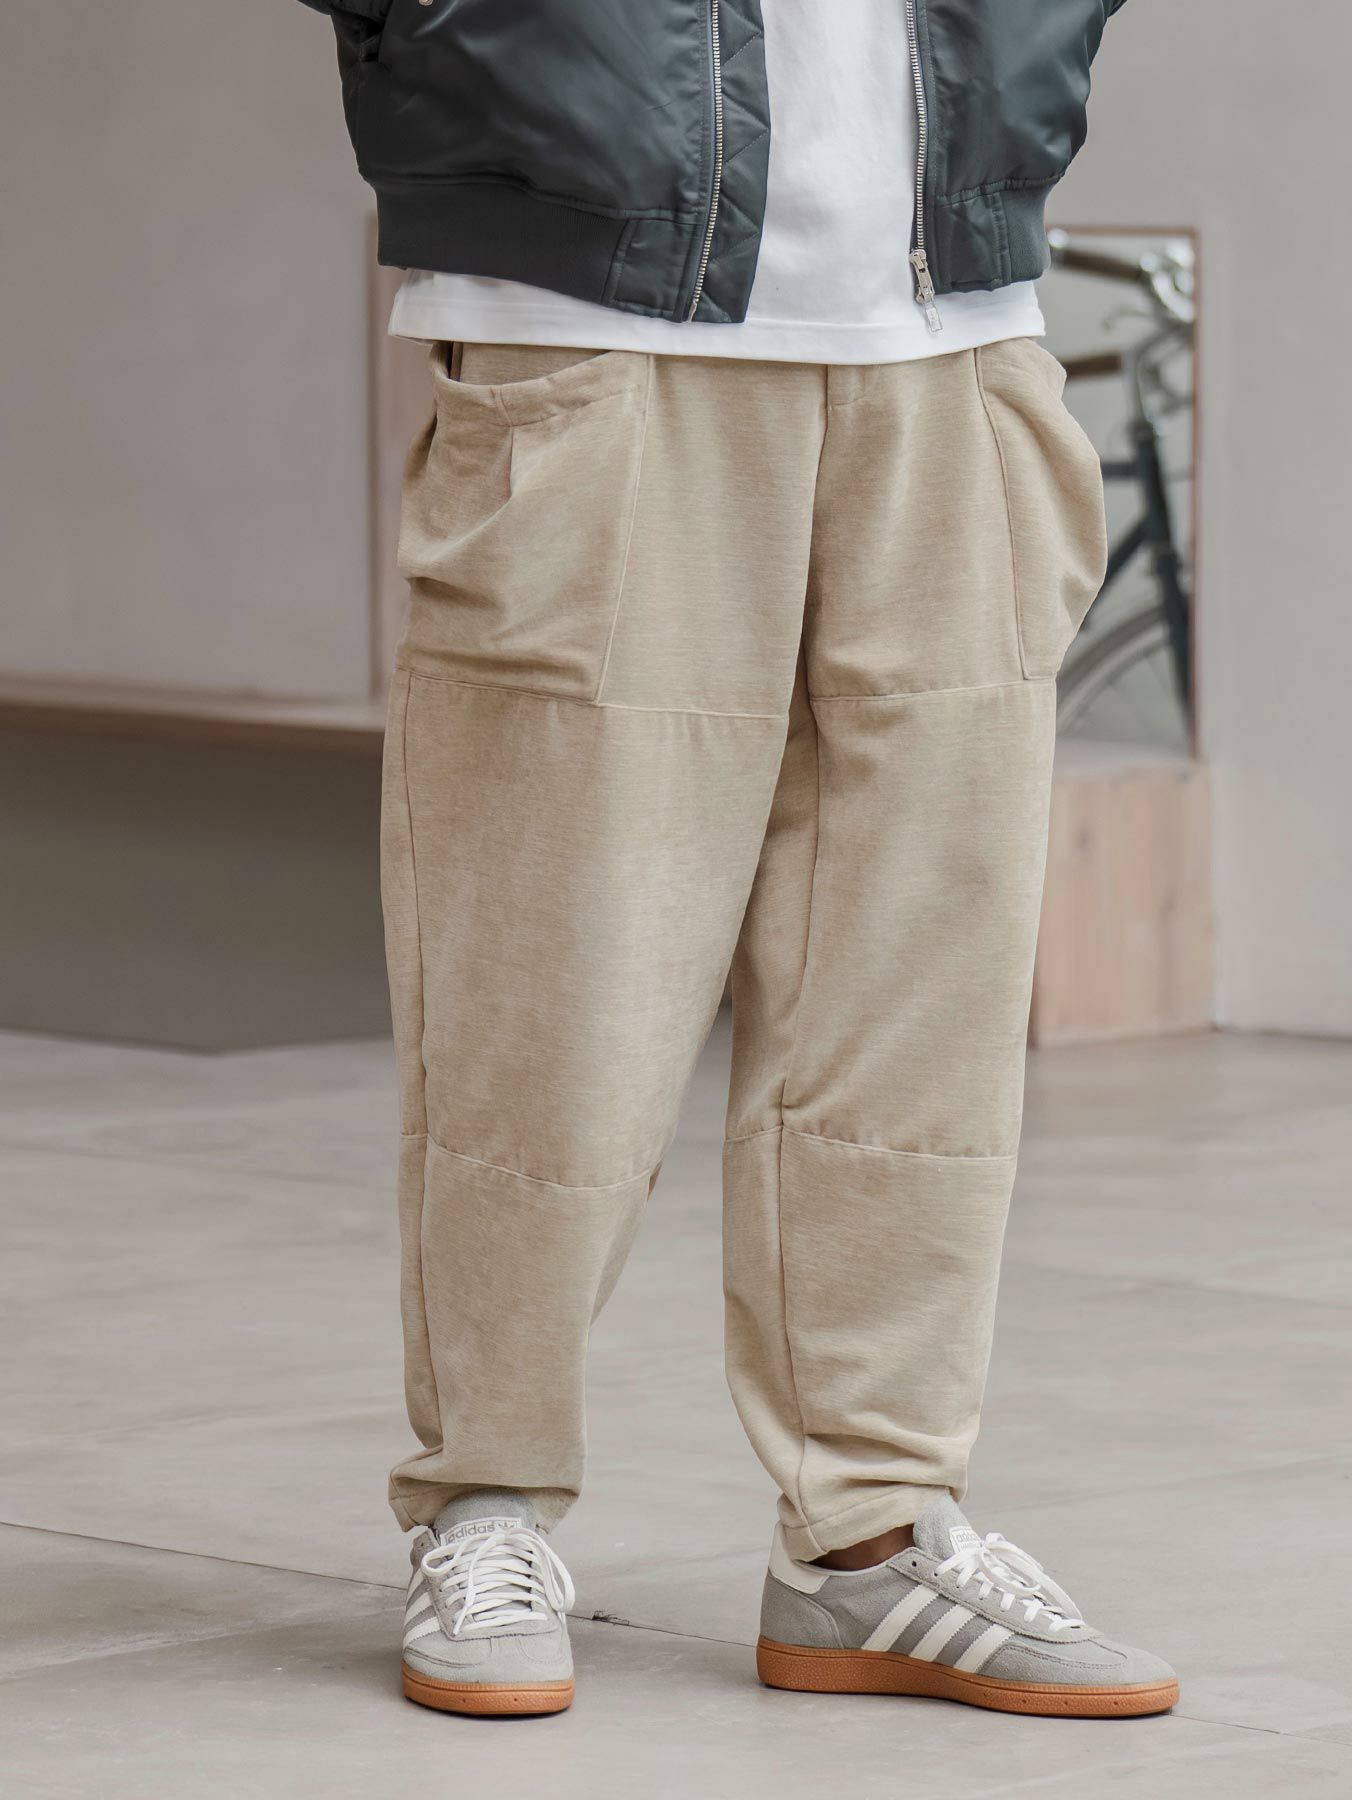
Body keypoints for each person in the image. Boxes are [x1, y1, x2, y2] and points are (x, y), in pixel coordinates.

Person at [300, 0, 1176, 1722]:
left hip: (953, 324)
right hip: (594, 316)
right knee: (551, 979)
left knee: (919, 993)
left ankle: (875, 1534)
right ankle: (486, 1503)